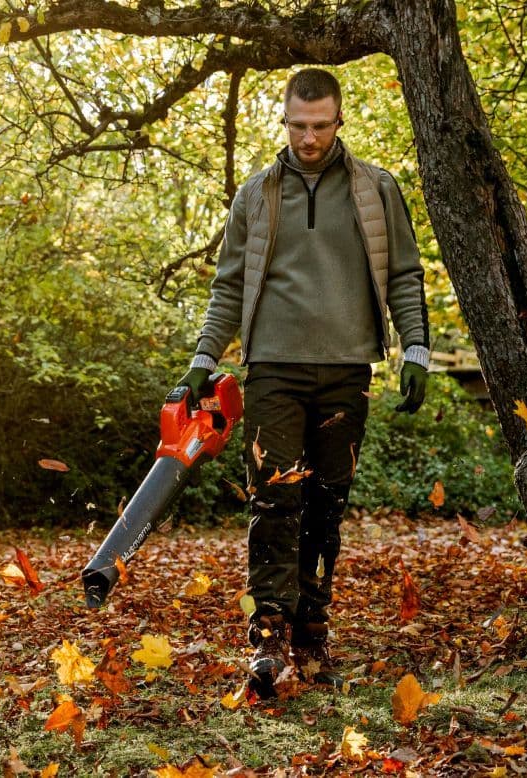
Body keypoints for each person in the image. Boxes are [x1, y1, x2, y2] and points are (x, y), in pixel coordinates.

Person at [178, 68, 430, 693]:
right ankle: (267, 641)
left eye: (320, 126)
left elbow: (404, 273)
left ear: (339, 121)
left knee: (326, 504)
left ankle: (312, 633)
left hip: (347, 371)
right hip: (272, 371)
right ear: (284, 121)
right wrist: (204, 359)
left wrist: (417, 350)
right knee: (273, 499)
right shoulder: (257, 195)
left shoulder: (376, 190)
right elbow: (229, 286)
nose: (309, 138)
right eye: (298, 126)